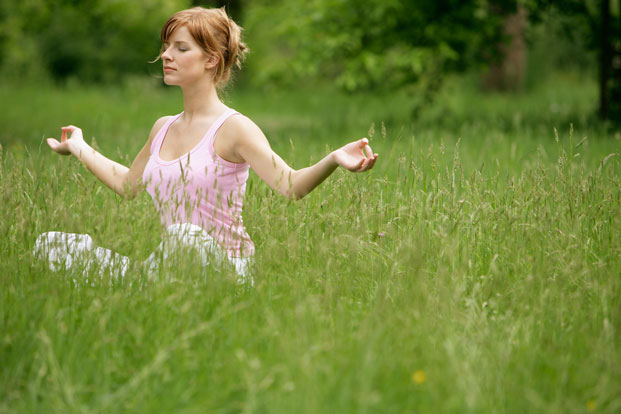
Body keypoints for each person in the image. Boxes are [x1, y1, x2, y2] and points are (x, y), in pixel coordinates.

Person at [35, 7, 378, 283]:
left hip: (227, 269)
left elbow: (290, 186)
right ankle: (144, 281)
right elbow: (127, 185)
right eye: (167, 46)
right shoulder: (162, 128)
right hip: (172, 265)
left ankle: (145, 282)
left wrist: (333, 158)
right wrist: (78, 146)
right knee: (50, 246)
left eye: (181, 48)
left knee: (185, 238)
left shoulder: (234, 129)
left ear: (211, 59)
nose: (166, 55)